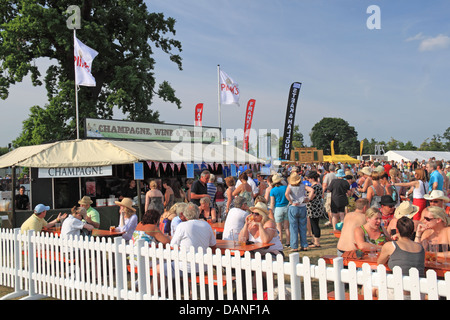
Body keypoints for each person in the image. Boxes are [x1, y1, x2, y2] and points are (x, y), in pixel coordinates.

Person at [285, 172, 314, 251]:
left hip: (294, 207)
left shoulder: (290, 186)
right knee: (303, 227)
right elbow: (311, 190)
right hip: (302, 206)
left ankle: (294, 246)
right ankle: (304, 245)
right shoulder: (302, 186)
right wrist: (308, 198)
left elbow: (286, 194)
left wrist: (291, 202)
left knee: (293, 227)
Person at [305, 170, 325, 248]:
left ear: (312, 178)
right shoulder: (319, 185)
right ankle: (314, 240)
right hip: (317, 206)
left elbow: (311, 197)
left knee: (315, 224)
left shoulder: (315, 187)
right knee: (314, 224)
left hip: (314, 207)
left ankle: (316, 242)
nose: (308, 180)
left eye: (309, 178)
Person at [269, 173, 290, 247]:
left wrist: (270, 211)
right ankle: (288, 242)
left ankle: (280, 242)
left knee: (279, 227)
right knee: (287, 227)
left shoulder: (273, 190)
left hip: (278, 208)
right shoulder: (285, 187)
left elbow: (272, 202)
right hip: (286, 207)